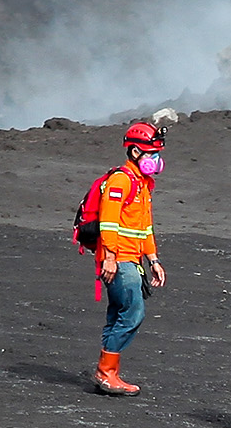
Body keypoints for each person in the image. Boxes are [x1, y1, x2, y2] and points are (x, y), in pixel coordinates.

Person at [71, 120, 168, 394]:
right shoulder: (121, 181)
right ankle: (105, 372)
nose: (157, 160)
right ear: (135, 152)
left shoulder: (142, 184)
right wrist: (110, 258)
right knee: (132, 313)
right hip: (119, 260)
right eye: (152, 153)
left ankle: (108, 372)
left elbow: (144, 227)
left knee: (117, 314)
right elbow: (109, 224)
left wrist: (153, 260)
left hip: (131, 260)